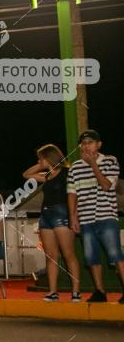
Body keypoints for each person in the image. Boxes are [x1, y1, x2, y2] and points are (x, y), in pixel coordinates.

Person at [67, 130, 124, 303]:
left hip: (106, 215)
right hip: (85, 218)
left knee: (115, 254)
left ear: (99, 144)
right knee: (91, 257)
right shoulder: (75, 167)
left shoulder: (110, 161)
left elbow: (107, 185)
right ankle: (100, 291)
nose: (86, 146)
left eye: (90, 142)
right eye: (83, 143)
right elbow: (71, 193)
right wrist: (73, 217)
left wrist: (93, 165)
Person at [23, 146, 81, 302]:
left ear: (49, 157)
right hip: (46, 214)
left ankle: (76, 291)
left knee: (68, 254)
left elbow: (74, 195)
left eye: (40, 157)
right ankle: (53, 291)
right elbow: (27, 175)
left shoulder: (66, 173)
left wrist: (74, 215)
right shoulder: (47, 175)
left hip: (61, 213)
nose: (38, 160)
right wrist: (41, 164)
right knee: (51, 256)